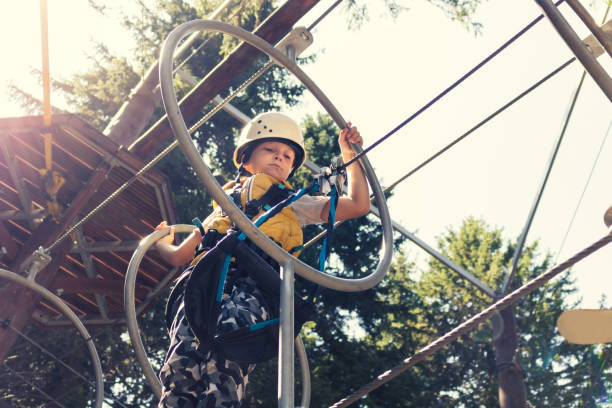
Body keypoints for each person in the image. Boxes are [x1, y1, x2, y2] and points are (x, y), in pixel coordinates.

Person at [154, 112, 369, 407]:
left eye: (287, 156)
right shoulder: (223, 204)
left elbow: (358, 205)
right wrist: (161, 244)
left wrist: (350, 155)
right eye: (270, 150)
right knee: (181, 364)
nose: (279, 158)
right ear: (246, 158)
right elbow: (180, 254)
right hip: (203, 282)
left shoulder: (291, 203)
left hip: (254, 280)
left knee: (227, 355)